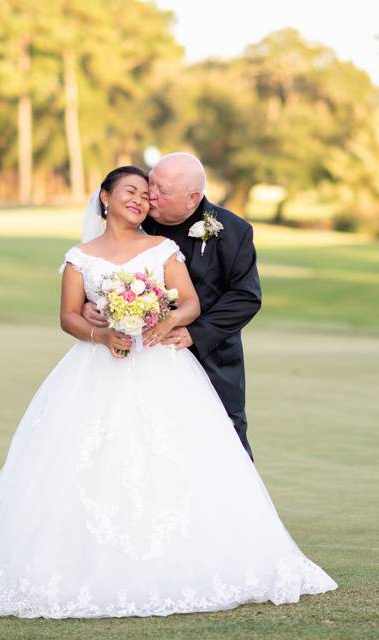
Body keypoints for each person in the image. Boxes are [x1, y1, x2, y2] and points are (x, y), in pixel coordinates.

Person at [0, 166, 337, 618]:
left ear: (193, 195)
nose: (146, 200)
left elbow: (204, 300)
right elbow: (69, 315)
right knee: (92, 457)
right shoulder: (82, 256)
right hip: (98, 368)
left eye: (152, 193)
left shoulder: (187, 240)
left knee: (203, 453)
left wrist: (161, 321)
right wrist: (100, 330)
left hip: (172, 364)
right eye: (137, 191)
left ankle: (217, 551)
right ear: (104, 197)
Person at [82, 153, 260, 458]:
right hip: (144, 358)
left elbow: (245, 296)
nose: (151, 195)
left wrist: (196, 333)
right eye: (151, 183)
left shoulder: (233, 231)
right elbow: (101, 263)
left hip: (211, 358)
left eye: (162, 191)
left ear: (192, 198)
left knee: (225, 442)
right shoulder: (136, 218)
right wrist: (90, 303)